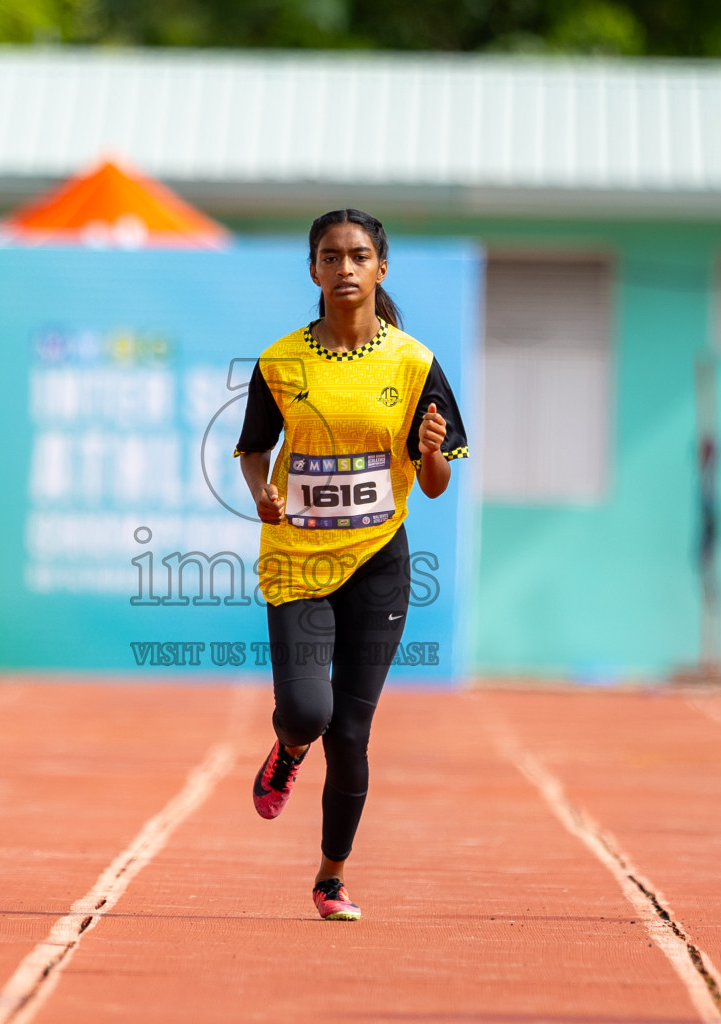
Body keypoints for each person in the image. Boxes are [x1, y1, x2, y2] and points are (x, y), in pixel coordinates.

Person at [232, 208, 469, 921]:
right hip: (298, 563)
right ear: (313, 269)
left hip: (377, 566)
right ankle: (286, 747)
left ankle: (331, 877)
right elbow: (251, 451)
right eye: (330, 257)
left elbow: (433, 484)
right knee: (307, 711)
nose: (345, 269)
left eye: (358, 256)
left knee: (353, 731)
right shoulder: (280, 363)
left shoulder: (415, 364)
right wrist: (263, 494)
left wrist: (429, 452)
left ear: (381, 268)